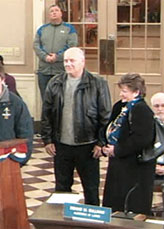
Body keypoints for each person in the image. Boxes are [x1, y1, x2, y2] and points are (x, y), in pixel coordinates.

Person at [41, 47, 111, 205]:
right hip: (61, 145)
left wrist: (101, 142)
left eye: (72, 60)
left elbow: (105, 116)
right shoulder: (55, 82)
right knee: (61, 188)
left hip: (88, 145)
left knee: (91, 188)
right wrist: (48, 140)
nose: (68, 64)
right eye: (65, 60)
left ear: (82, 62)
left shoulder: (98, 84)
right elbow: (46, 114)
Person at [102, 73, 155, 215]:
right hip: (118, 164)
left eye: (125, 91)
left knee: (129, 207)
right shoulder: (120, 107)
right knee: (113, 204)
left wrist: (117, 150)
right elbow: (109, 126)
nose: (121, 94)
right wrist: (105, 145)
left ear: (136, 92)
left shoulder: (141, 110)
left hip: (134, 168)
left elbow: (142, 139)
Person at [33, 4, 78, 100]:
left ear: (61, 13)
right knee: (46, 99)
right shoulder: (42, 29)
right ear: (49, 15)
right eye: (51, 11)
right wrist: (45, 57)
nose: (54, 12)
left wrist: (57, 57)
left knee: (61, 100)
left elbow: (71, 46)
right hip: (44, 71)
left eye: (56, 10)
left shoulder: (69, 29)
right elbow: (36, 45)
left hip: (61, 71)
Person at [150, 93, 164, 182]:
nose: (160, 109)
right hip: (151, 166)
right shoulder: (147, 125)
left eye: (163, 106)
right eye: (156, 106)